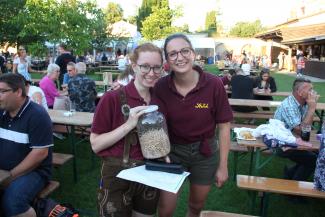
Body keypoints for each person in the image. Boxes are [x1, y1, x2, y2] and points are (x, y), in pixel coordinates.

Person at [153, 33, 233, 217]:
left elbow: (224, 126)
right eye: (172, 54)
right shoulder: (161, 86)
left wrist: (223, 166)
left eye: (184, 51)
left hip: (204, 153)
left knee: (196, 206)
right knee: (165, 209)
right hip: (171, 152)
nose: (179, 57)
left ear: (193, 54)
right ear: (167, 60)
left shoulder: (214, 84)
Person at [90, 43, 163, 217]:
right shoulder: (112, 98)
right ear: (134, 66)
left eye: (157, 67)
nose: (151, 73)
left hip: (150, 172)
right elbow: (95, 144)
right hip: (118, 174)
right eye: (145, 66)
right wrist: (129, 125)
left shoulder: (161, 98)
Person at [0, 73, 53, 217]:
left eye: (2, 91)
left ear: (18, 92)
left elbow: (40, 153)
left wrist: (10, 176)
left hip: (35, 171)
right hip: (4, 169)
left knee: (13, 202)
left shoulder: (37, 115)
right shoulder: (2, 112)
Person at [274, 77, 319, 182]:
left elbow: (306, 127)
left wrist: (310, 107)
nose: (313, 92)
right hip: (281, 144)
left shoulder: (304, 103)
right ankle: (293, 192)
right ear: (299, 92)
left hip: (294, 139)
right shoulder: (289, 105)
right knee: (314, 159)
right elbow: (301, 130)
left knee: (317, 154)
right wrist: (312, 108)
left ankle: (289, 174)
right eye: (310, 90)